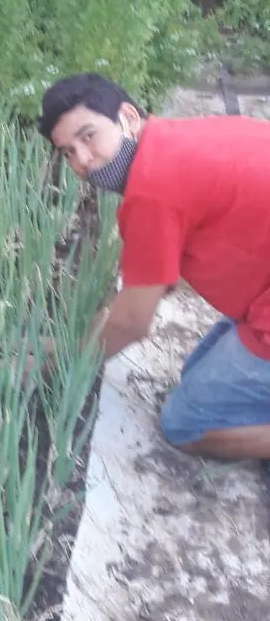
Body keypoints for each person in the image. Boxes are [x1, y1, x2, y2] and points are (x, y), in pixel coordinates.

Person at [39, 71, 270, 460]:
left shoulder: (152, 189)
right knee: (195, 376)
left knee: (185, 424)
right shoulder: (172, 139)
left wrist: (63, 361)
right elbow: (155, 284)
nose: (83, 161)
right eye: (67, 152)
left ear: (127, 116)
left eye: (88, 136)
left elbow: (133, 324)